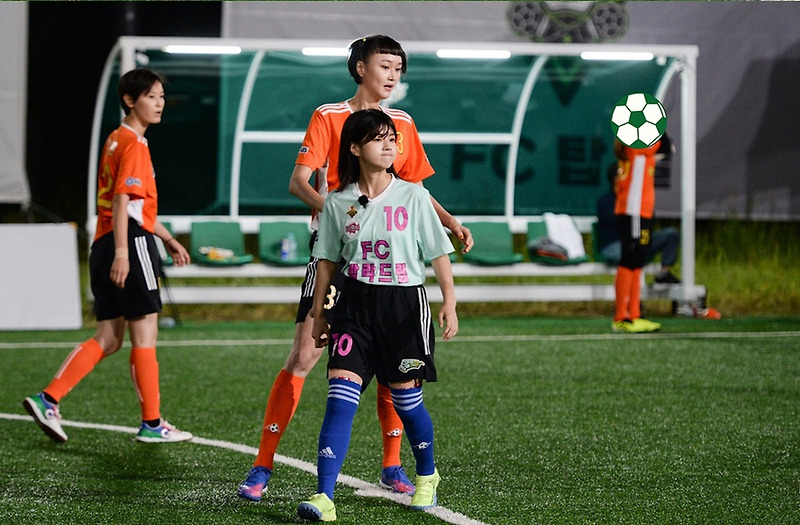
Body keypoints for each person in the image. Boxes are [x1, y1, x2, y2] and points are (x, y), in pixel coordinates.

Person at [237, 35, 472, 501]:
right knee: (305, 355)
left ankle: (392, 465)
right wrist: (343, 220)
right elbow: (299, 181)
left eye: (399, 69)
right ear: (359, 67)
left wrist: (450, 222)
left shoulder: (401, 123)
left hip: (390, 273)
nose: (392, 75)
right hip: (337, 261)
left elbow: (414, 190)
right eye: (385, 65)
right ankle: (263, 465)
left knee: (392, 364)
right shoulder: (329, 116)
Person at [296, 109, 457, 522]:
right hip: (354, 307)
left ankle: (427, 475)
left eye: (392, 139)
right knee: (339, 398)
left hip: (404, 307)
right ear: (354, 147)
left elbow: (438, 253)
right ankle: (324, 496)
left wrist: (449, 302)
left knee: (406, 400)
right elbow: (328, 262)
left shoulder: (414, 195)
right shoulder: (337, 202)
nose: (389, 145)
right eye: (379, 139)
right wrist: (319, 314)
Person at [23, 68, 193, 444]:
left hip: (104, 242)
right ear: (130, 101)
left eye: (162, 96)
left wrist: (165, 238)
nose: (160, 102)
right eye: (152, 96)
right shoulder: (134, 143)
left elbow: (133, 207)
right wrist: (124, 252)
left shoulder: (115, 140)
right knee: (144, 332)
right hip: (126, 245)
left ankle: (48, 399)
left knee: (109, 337)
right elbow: (122, 202)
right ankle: (152, 424)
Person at [609, 139, 664, 333]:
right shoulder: (634, 144)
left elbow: (665, 147)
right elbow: (660, 145)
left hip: (643, 211)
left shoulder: (642, 148)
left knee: (638, 258)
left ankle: (634, 313)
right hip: (633, 210)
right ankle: (621, 316)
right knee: (630, 258)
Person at [596, 163, 681, 284]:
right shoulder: (605, 202)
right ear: (616, 179)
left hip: (639, 243)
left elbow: (648, 221)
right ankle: (631, 296)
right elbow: (619, 223)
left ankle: (663, 274)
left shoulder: (637, 199)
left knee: (671, 234)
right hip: (615, 245)